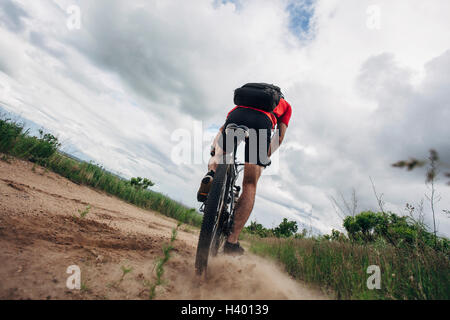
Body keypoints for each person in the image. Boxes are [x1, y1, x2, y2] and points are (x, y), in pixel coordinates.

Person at [197, 94, 292, 255]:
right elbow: (280, 137)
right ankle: (231, 242)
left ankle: (212, 173)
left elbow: (221, 129)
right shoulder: (285, 106)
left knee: (219, 156)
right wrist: (265, 157)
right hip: (262, 123)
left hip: (236, 117)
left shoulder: (244, 100)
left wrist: (214, 150)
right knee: (250, 183)